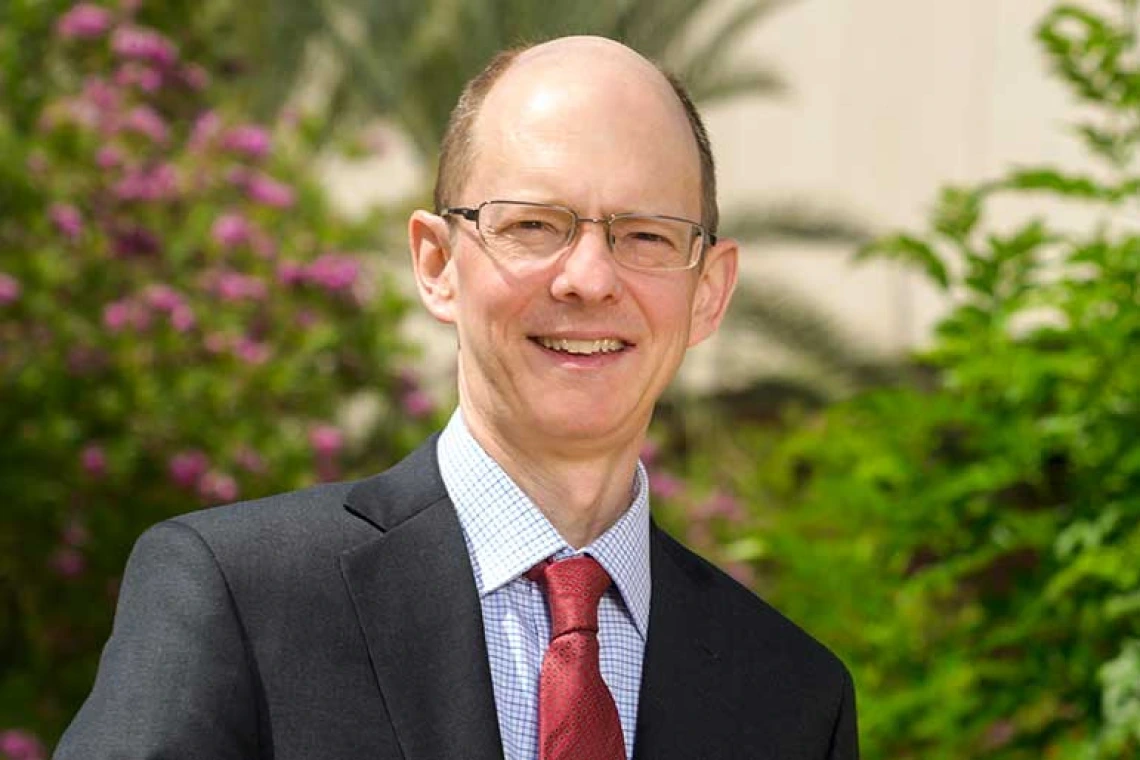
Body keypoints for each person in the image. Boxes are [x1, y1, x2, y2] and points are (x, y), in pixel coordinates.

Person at [56, 36, 858, 760]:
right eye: (534, 226)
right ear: (437, 263)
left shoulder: (792, 698)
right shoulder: (238, 599)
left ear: (709, 292)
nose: (589, 278)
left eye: (646, 235)